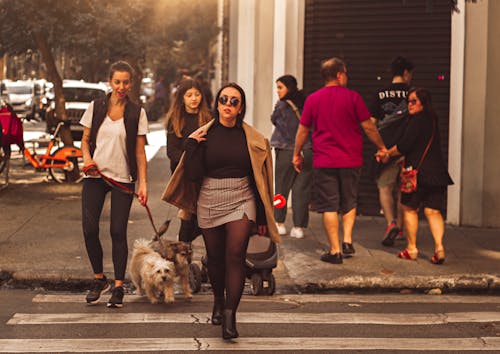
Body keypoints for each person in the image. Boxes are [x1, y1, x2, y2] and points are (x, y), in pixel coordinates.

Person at [165, 82, 280, 339]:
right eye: (223, 100)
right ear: (217, 104)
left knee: (236, 255)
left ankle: (230, 313)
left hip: (242, 198)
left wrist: (261, 218)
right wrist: (191, 147)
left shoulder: (252, 139)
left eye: (234, 101)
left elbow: (259, 181)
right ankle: (218, 299)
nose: (228, 105)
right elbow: (193, 177)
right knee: (215, 258)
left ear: (241, 108)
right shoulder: (204, 135)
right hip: (209, 197)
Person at [293, 57, 387, 264]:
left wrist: (296, 153)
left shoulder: (313, 99)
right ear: (339, 75)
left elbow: (303, 130)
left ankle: (334, 251)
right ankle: (347, 240)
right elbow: (369, 127)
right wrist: (381, 147)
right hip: (351, 160)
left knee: (329, 205)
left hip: (325, 161)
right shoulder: (353, 97)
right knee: (349, 200)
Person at [80, 60, 149, 308]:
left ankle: (118, 287)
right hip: (95, 176)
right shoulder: (95, 107)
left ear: (131, 83)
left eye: (126, 82)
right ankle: (100, 280)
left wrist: (143, 184)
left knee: (118, 231)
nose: (121, 86)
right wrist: (87, 160)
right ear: (110, 81)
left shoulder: (136, 112)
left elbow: (140, 152)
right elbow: (85, 140)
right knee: (89, 229)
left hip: (122, 178)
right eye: (117, 81)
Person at [377, 88, 453, 263]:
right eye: (408, 101)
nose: (409, 105)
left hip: (416, 174)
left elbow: (404, 145)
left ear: (423, 103)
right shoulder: (432, 120)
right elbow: (420, 145)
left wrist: (387, 153)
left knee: (410, 209)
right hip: (436, 173)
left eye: (413, 101)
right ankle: (439, 248)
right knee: (433, 211)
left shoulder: (416, 121)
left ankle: (411, 249)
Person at [370, 56, 414, 247]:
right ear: (406, 73)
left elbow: (371, 124)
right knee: (403, 190)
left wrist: (380, 147)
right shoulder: (413, 94)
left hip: (385, 150)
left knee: (385, 187)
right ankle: (403, 228)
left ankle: (391, 224)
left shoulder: (380, 93)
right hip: (408, 150)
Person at [165, 79, 212, 242]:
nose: (194, 98)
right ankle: (183, 248)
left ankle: (183, 245)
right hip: (183, 174)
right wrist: (190, 159)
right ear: (182, 98)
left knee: (201, 216)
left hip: (206, 173)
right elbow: (171, 151)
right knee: (188, 214)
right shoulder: (175, 119)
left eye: (197, 94)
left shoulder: (209, 118)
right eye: (189, 95)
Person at [270, 75, 312, 239]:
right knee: (302, 189)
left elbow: (275, 121)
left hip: (286, 150)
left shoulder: (281, 105)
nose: (277, 91)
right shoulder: (307, 103)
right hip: (308, 150)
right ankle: (298, 227)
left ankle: (279, 223)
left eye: (280, 87)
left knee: (281, 187)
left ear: (289, 87)